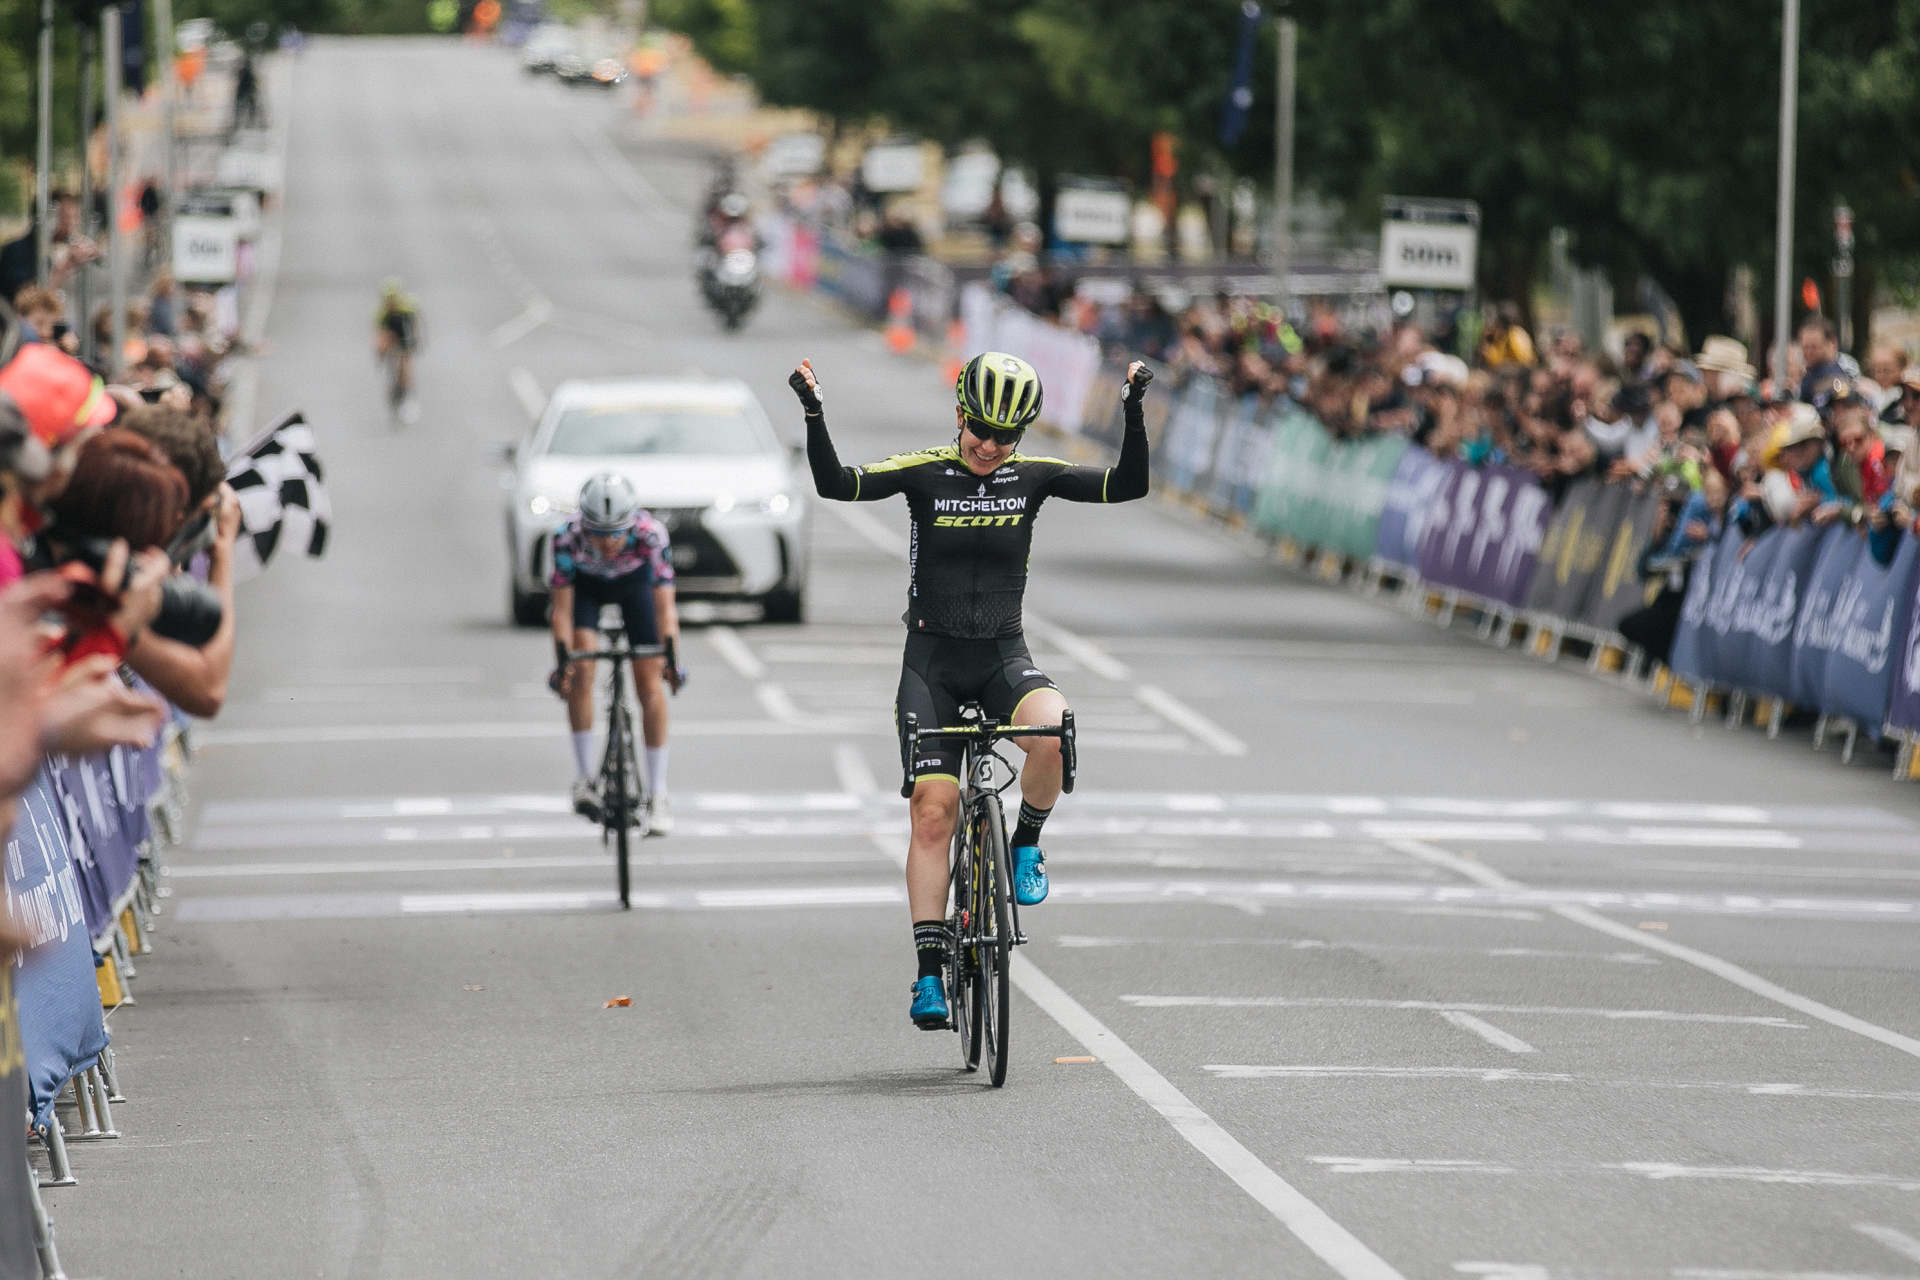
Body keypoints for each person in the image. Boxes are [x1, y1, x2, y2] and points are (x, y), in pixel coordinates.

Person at [789, 350, 1153, 1030]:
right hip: (933, 667)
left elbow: (1127, 486)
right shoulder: (924, 472)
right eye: (980, 428)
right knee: (934, 811)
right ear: (960, 415)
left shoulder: (1033, 477)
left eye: (1005, 435)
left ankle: (1025, 844)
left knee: (1055, 730)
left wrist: (1131, 409)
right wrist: (814, 411)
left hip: (1001, 658)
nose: (990, 445)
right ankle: (929, 973)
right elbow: (838, 485)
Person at [548, 472, 683, 833]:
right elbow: (561, 612)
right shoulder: (565, 538)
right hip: (588, 590)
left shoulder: (650, 536)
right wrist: (563, 665)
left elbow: (665, 609)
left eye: (616, 533)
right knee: (583, 668)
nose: (607, 543)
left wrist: (672, 659)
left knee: (649, 684)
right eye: (597, 533)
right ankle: (584, 779)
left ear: (631, 524)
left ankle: (657, 794)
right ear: (583, 524)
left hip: (635, 587)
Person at [372, 278, 421, 423]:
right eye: (388, 300)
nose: (390, 303)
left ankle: (408, 394)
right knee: (387, 348)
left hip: (404, 334)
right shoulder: (381, 313)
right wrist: (380, 352)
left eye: (393, 299)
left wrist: (415, 341)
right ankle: (394, 389)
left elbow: (414, 326)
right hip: (391, 334)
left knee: (405, 362)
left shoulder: (408, 307)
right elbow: (379, 334)